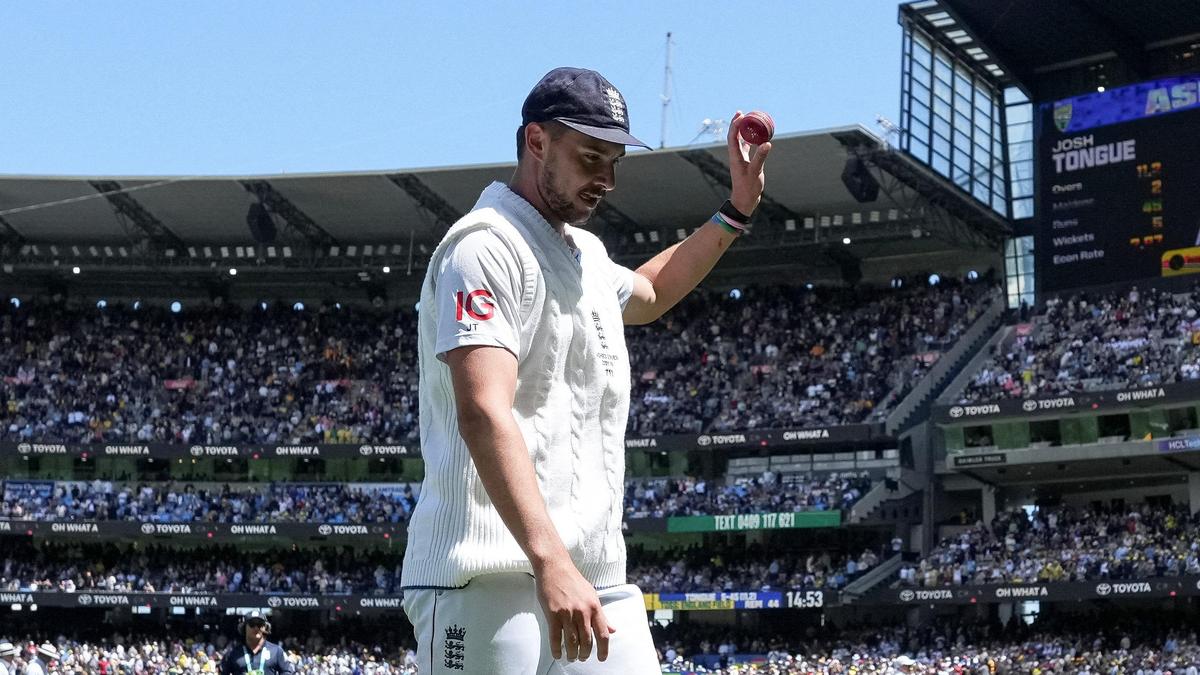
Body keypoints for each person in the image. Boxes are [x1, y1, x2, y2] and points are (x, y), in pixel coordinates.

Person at [401, 66, 770, 673]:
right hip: (483, 580)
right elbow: (483, 410)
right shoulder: (483, 246)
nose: (607, 179)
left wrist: (736, 209)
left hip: (596, 577)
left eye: (615, 161)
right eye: (591, 156)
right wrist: (549, 561)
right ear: (536, 141)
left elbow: (651, 292)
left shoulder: (585, 253)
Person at [220, 611, 294, 675]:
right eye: (252, 624)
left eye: (259, 624)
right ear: (244, 628)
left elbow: (286, 671)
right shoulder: (232, 654)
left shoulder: (277, 651)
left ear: (265, 627)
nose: (256, 628)